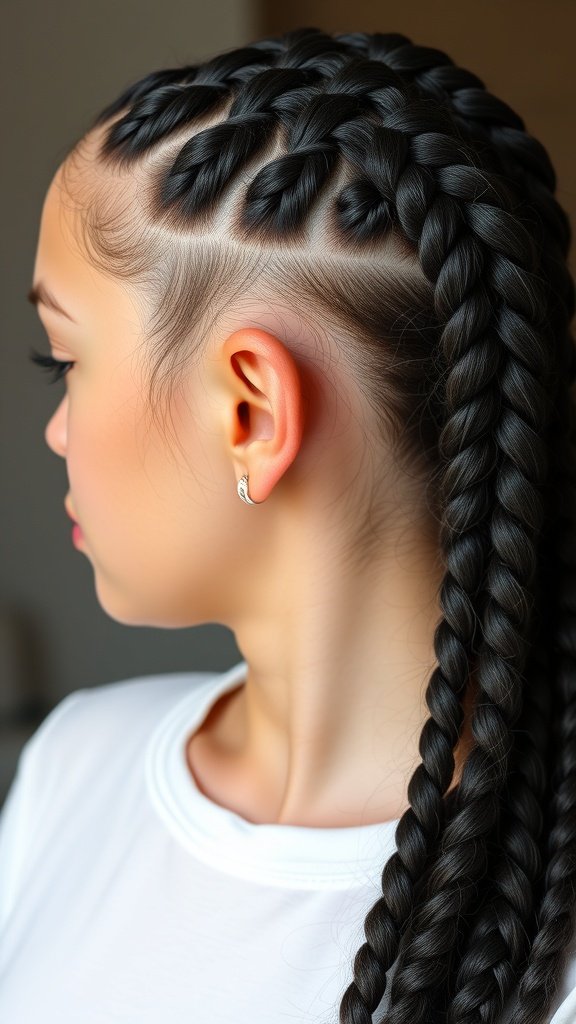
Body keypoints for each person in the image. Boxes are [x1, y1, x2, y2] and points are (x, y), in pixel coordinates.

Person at [0, 24, 574, 1024]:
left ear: (252, 414)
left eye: (67, 360)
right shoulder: (73, 765)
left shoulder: (546, 926)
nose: (55, 429)